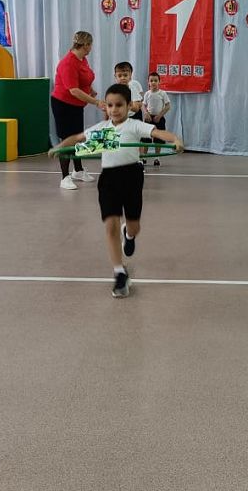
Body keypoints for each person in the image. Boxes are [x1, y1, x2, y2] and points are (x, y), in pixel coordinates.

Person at [49, 83, 184, 298]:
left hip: (132, 177)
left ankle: (128, 234)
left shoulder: (134, 126)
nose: (114, 109)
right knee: (110, 225)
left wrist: (175, 139)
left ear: (129, 106)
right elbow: (78, 139)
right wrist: (59, 147)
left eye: (119, 105)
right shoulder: (103, 130)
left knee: (134, 226)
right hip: (109, 179)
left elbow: (158, 132)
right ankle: (119, 272)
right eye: (110, 105)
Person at [51, 31, 105, 190]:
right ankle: (64, 177)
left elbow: (84, 79)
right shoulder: (68, 63)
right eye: (90, 45)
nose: (91, 48)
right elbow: (73, 90)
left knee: (78, 138)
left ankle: (78, 171)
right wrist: (96, 102)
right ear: (86, 45)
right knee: (67, 140)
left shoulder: (82, 59)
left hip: (76, 106)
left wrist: (91, 90)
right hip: (63, 105)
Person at [142, 72, 171, 166]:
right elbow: (143, 105)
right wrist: (146, 113)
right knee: (146, 138)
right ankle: (144, 157)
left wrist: (159, 115)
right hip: (148, 119)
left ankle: (157, 158)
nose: (153, 82)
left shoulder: (162, 93)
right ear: (148, 82)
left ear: (159, 82)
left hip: (159, 118)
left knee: (158, 139)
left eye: (155, 80)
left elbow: (168, 106)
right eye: (151, 80)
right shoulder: (147, 94)